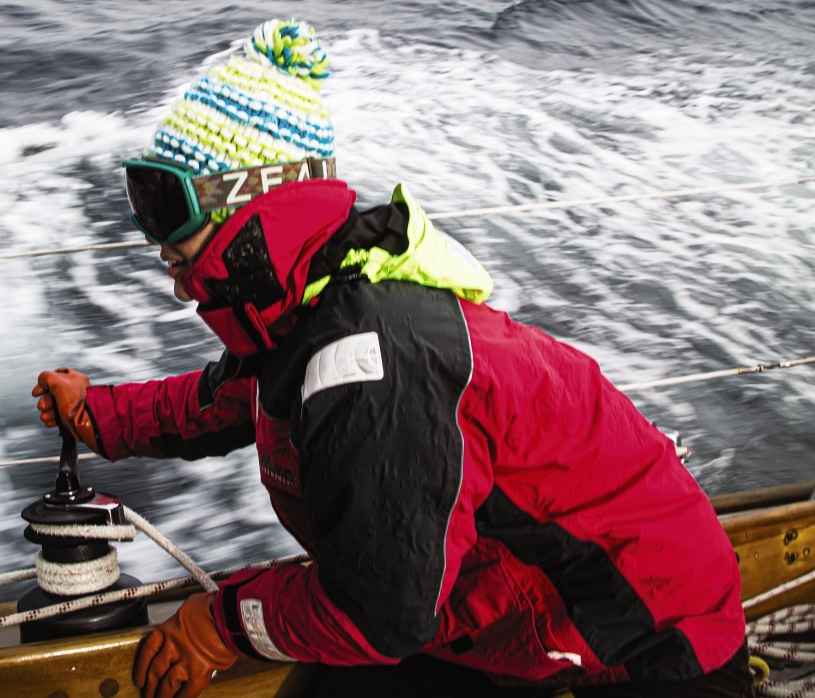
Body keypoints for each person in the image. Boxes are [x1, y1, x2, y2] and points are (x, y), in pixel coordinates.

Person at [32, 17, 754, 698]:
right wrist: (102, 416)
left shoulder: (370, 361)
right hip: (490, 607)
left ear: (248, 207)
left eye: (169, 207)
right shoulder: (313, 306)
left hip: (642, 640)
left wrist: (217, 628)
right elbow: (236, 397)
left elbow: (379, 612)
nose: (158, 244)